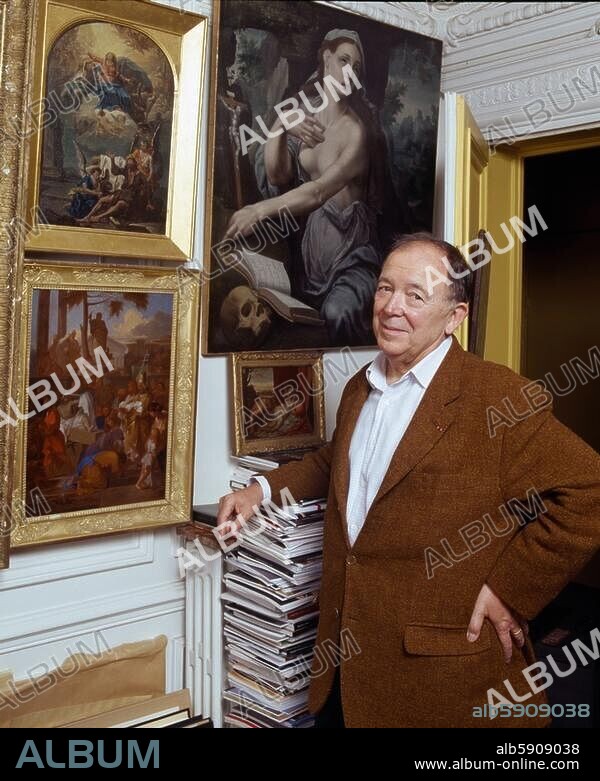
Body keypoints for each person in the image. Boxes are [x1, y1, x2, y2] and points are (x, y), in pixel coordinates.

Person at [216, 233, 600, 728]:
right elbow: (338, 461)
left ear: (455, 316)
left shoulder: (498, 398)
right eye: (384, 288)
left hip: (442, 684)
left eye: (415, 296)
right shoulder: (361, 387)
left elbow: (590, 490)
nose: (392, 307)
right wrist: (260, 490)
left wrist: (510, 589)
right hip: (344, 672)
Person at [224, 29, 386, 345]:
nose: (348, 71)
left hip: (351, 260)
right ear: (325, 57)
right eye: (343, 59)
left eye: (356, 66)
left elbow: (317, 192)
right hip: (310, 262)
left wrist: (257, 209)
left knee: (337, 313)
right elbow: (277, 176)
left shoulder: (357, 134)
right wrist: (281, 127)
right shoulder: (305, 116)